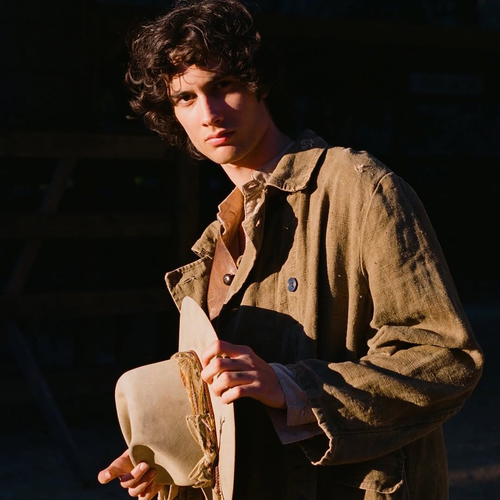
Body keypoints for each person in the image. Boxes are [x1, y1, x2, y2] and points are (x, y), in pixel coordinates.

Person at [98, 0, 484, 498]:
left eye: (223, 86)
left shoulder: (358, 187)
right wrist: (176, 457)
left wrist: (292, 386)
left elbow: (446, 357)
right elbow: (230, 411)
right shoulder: (215, 246)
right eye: (186, 98)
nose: (209, 114)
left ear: (258, 83)